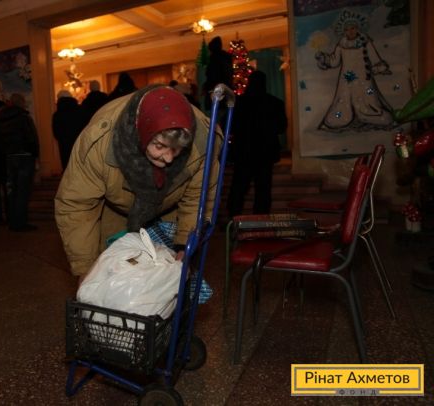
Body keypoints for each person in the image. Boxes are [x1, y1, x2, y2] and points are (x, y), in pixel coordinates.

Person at [55, 85, 221, 281]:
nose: (168, 158)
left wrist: (186, 244)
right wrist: (85, 269)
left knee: (168, 281)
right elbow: (78, 205)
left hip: (170, 210)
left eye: (176, 149)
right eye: (160, 145)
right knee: (110, 279)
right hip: (115, 211)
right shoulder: (99, 144)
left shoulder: (202, 141)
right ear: (142, 132)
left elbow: (198, 198)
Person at [315, 10, 394, 132]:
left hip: (364, 80)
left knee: (370, 103)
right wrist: (324, 58)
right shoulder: (342, 44)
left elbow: (374, 57)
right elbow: (334, 61)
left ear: (357, 28)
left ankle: (367, 115)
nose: (350, 31)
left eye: (352, 28)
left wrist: (379, 68)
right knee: (342, 105)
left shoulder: (364, 42)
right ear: (343, 31)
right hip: (347, 80)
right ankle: (345, 117)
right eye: (347, 29)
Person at [227, 70, 287, 217]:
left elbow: (229, 126)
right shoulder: (275, 103)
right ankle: (260, 220)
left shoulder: (239, 102)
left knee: (238, 188)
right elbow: (282, 127)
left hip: (243, 152)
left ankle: (233, 219)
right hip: (265, 152)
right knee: (263, 189)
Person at [0, 93, 40, 232]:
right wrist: (35, 154)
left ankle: (13, 221)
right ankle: (21, 222)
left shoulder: (1, 118)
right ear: (21, 102)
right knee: (23, 191)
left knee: (12, 191)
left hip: (10, 157)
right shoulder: (23, 117)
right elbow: (31, 138)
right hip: (24, 157)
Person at [52, 90, 84, 170]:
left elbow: (56, 133)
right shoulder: (80, 110)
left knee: (67, 166)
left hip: (64, 145)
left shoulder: (57, 114)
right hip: (79, 142)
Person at [203, 36, 233, 113]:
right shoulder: (226, 58)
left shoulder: (214, 59)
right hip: (226, 92)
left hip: (217, 92)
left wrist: (207, 88)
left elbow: (212, 76)